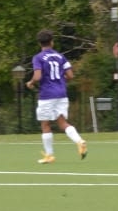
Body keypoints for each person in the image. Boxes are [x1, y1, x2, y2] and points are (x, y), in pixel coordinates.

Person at [26, 30, 88, 164]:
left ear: (39, 43)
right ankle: (79, 141)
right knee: (62, 123)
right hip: (61, 94)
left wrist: (31, 82)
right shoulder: (61, 57)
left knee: (45, 124)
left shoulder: (38, 57)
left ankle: (49, 155)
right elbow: (70, 75)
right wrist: (60, 80)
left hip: (47, 95)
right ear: (52, 42)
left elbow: (38, 76)